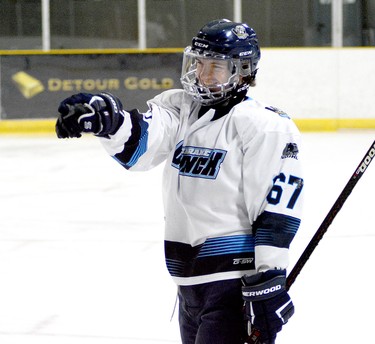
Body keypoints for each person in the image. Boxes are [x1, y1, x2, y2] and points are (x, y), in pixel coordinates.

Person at [55, 19, 303, 344]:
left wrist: (269, 278)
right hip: (187, 283)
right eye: (199, 63)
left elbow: (276, 206)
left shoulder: (264, 126)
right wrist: (109, 120)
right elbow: (144, 144)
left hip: (233, 283)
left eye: (214, 66)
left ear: (242, 71)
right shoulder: (182, 107)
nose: (202, 74)